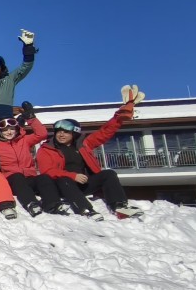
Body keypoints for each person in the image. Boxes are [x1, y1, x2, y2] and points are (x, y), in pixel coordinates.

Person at [35, 86, 146, 219]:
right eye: (59, 131)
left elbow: (104, 132)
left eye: (66, 132)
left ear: (74, 134)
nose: (61, 135)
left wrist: (119, 117)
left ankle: (120, 206)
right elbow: (47, 171)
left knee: (109, 174)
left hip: (84, 184)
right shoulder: (47, 148)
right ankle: (86, 210)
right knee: (64, 179)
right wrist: (72, 176)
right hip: (62, 187)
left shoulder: (84, 144)